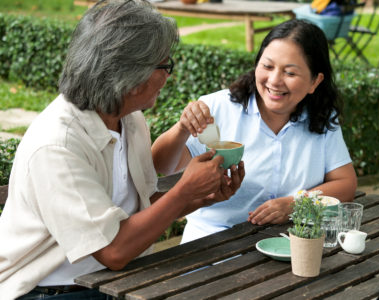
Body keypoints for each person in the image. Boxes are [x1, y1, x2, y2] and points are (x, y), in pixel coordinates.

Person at [0, 1, 244, 299]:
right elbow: (113, 251)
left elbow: (142, 203)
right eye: (164, 66)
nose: (169, 77)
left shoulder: (129, 118)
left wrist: (201, 197)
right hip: (51, 290)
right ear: (130, 77)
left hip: (115, 281)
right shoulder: (58, 145)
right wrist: (183, 193)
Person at [152, 19, 357, 244]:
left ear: (314, 82)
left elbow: (345, 184)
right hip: (213, 243)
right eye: (267, 66)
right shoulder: (218, 107)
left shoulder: (322, 118)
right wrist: (182, 128)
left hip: (289, 242)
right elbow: (162, 165)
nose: (274, 81)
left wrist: (295, 204)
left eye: (290, 73)